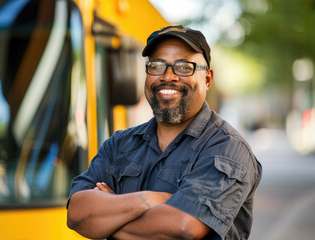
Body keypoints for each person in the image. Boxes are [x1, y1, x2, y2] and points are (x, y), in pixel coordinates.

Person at [66, 25, 262, 240]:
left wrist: (109, 216)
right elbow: (77, 213)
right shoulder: (119, 144)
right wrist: (151, 199)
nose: (168, 76)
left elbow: (183, 227)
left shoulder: (227, 148)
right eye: (157, 66)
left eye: (184, 67)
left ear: (207, 80)